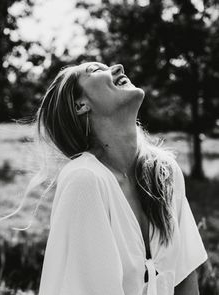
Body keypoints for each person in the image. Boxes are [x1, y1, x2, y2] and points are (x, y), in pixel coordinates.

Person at [36, 62, 208, 295]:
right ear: (80, 105)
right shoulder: (84, 180)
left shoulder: (164, 172)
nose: (118, 67)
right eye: (96, 70)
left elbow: (185, 277)